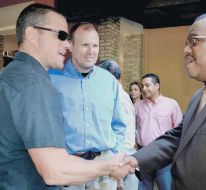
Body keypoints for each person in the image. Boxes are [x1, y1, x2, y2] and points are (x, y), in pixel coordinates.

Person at [0, 4, 129, 190]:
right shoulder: (35, 84)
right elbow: (54, 170)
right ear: (32, 35)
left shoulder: (11, 74)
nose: (67, 44)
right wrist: (108, 167)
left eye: (95, 45)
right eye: (61, 35)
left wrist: (112, 157)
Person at [120, 11, 206, 190]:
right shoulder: (201, 96)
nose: (185, 50)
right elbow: (178, 137)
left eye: (194, 41)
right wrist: (136, 159)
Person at [48, 23, 127, 190]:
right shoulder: (52, 79)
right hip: (69, 168)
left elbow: (119, 124)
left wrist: (115, 157)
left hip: (104, 168)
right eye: (85, 45)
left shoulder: (109, 81)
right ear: (70, 45)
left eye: (95, 45)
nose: (91, 51)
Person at [135, 73, 182, 190]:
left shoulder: (171, 104)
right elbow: (133, 127)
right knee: (143, 187)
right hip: (143, 154)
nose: (144, 89)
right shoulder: (138, 105)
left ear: (157, 86)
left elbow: (180, 130)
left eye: (147, 85)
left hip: (164, 154)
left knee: (166, 186)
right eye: (142, 86)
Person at [98, 59, 139, 190]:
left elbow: (119, 131)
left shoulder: (114, 96)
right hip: (127, 155)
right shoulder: (125, 96)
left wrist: (119, 166)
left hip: (118, 159)